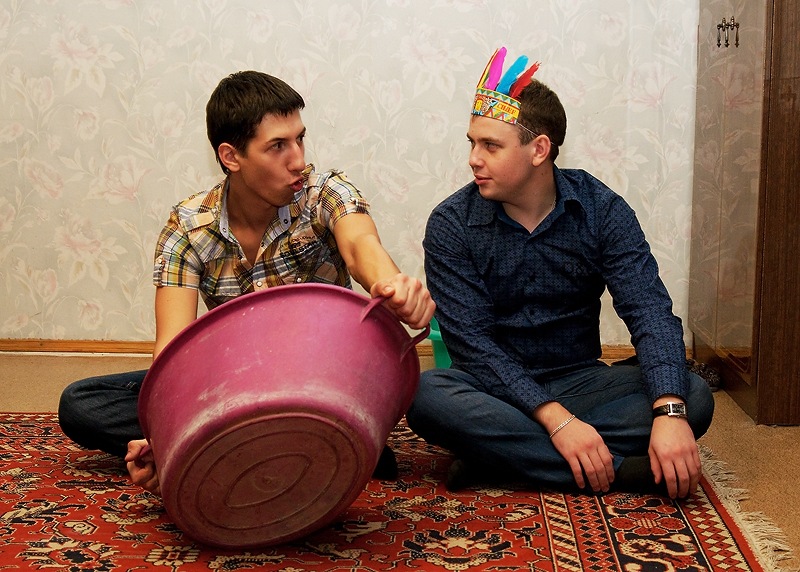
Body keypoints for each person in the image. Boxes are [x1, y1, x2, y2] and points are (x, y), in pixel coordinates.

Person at [58, 70, 435, 494]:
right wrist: (165, 429)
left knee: (365, 392)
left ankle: (246, 444)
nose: (298, 160)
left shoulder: (326, 192)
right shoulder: (188, 228)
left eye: (299, 139)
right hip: (232, 383)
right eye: (277, 146)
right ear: (231, 157)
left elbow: (361, 244)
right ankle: (299, 444)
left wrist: (393, 285)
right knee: (80, 403)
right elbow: (173, 351)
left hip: (322, 378)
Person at [405, 48, 714, 500]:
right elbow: (473, 345)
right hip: (493, 388)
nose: (473, 158)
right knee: (424, 393)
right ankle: (618, 470)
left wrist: (669, 413)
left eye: (490, 146)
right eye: (472, 143)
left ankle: (499, 455)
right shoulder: (452, 223)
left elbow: (650, 311)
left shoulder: (601, 210)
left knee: (693, 396)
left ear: (539, 149)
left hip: (581, 381)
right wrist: (558, 421)